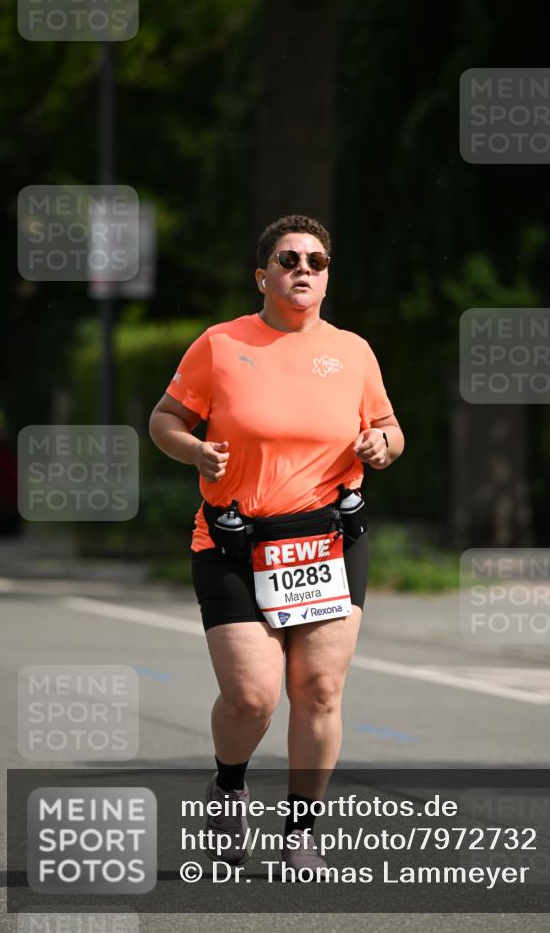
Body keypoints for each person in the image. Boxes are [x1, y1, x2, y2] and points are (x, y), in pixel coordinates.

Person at [149, 213, 404, 875]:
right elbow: (164, 419)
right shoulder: (220, 344)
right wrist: (195, 451)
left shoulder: (352, 351)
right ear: (262, 275)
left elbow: (386, 426)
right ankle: (228, 787)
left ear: (326, 278)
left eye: (315, 262)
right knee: (254, 696)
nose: (302, 270)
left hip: (326, 542)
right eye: (288, 260)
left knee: (318, 689)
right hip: (236, 540)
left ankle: (298, 832)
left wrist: (382, 445)